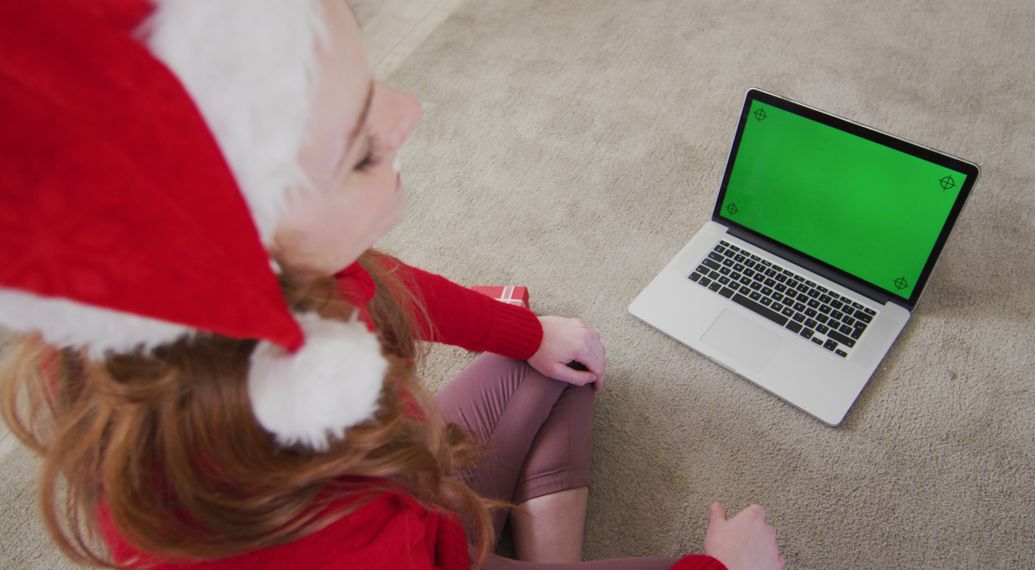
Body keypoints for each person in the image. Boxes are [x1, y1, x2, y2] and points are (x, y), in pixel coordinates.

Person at [0, 1, 782, 569]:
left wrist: (528, 334)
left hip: (432, 515)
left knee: (568, 359)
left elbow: (380, 282)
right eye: (364, 150)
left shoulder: (197, 302)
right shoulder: (331, 535)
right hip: (417, 539)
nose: (410, 111)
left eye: (374, 84)